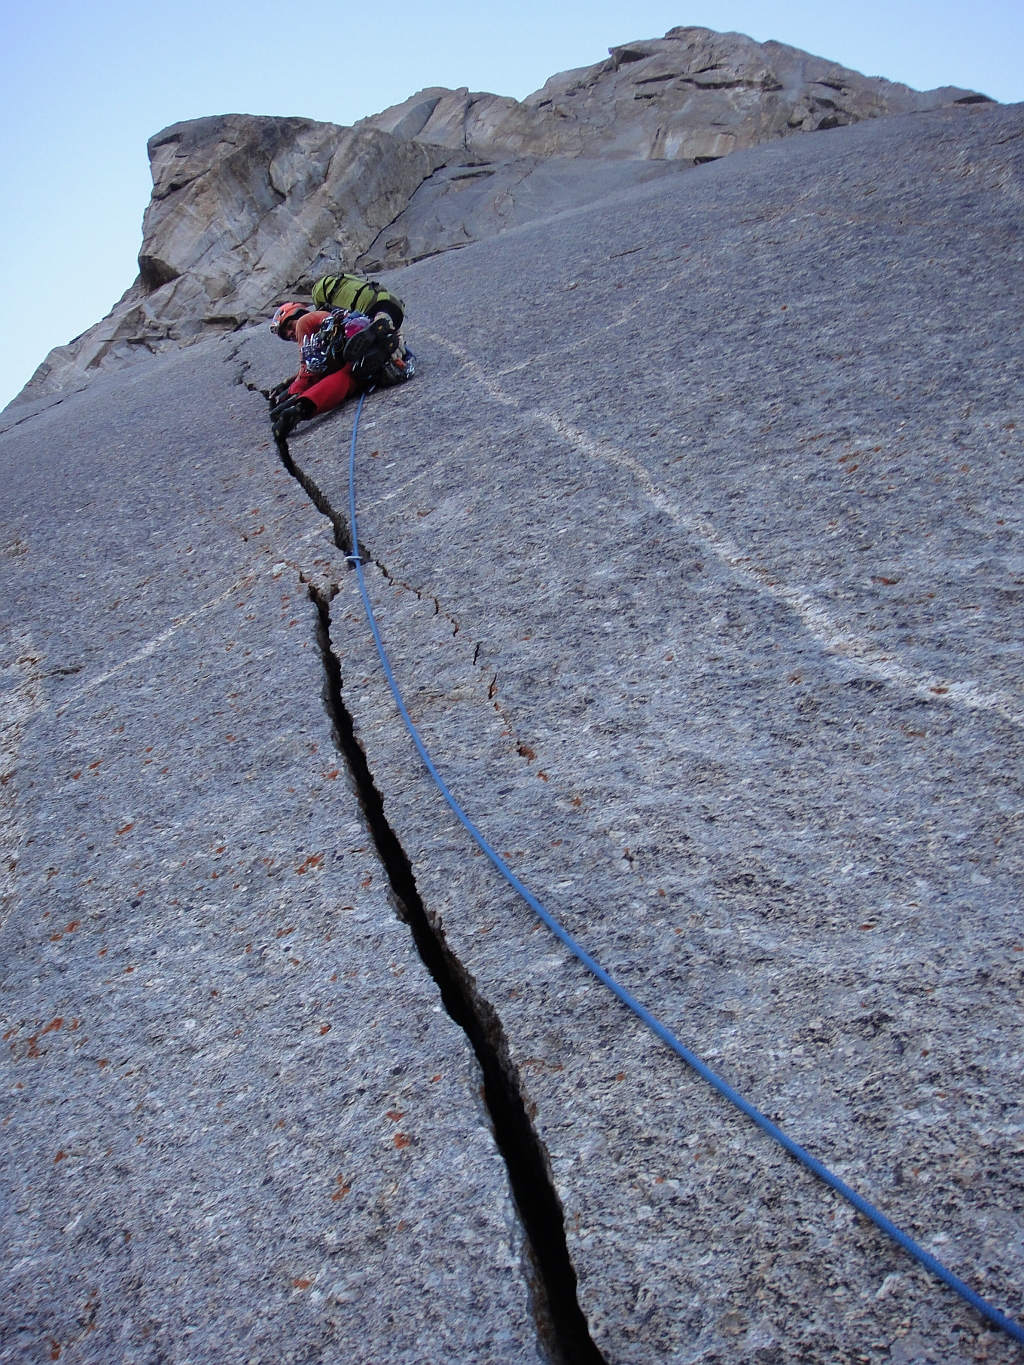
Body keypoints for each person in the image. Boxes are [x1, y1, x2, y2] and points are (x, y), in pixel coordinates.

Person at [266, 280, 407, 442]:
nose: (291, 332)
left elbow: (308, 368)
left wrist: (292, 391)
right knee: (348, 376)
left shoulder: (307, 321)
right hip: (348, 358)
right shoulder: (314, 338)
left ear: (298, 312)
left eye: (289, 325)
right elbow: (312, 369)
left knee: (318, 367)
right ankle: (303, 408)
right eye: (286, 335)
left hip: (339, 334)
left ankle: (362, 339)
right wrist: (288, 389)